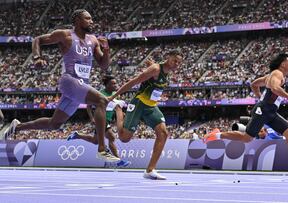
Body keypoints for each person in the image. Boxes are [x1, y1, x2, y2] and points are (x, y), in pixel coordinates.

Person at [3, 9, 119, 162]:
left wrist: (107, 49)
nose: (92, 21)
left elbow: (104, 65)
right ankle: (101, 149)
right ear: (77, 20)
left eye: (92, 18)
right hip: (69, 81)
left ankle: (17, 127)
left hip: (81, 86)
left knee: (54, 124)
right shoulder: (65, 35)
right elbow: (37, 39)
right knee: (102, 101)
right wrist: (37, 57)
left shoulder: (93, 40)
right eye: (88, 18)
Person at [203, 53, 288, 172]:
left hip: (270, 111)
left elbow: (253, 84)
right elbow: (274, 88)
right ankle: (216, 135)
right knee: (247, 138)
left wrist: (260, 98)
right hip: (263, 110)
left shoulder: (270, 76)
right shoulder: (277, 74)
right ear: (283, 64)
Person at [109, 50, 183, 180]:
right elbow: (133, 82)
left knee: (163, 133)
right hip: (139, 103)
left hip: (151, 106)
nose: (176, 64)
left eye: (178, 62)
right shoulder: (155, 69)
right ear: (168, 57)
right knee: (124, 138)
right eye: (174, 60)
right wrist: (114, 96)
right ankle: (118, 108)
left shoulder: (165, 71)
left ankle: (150, 170)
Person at [67, 75, 130, 166]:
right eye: (113, 84)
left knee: (95, 141)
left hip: (108, 119)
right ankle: (118, 161)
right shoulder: (99, 93)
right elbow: (88, 106)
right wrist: (92, 118)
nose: (115, 85)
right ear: (107, 85)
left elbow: (115, 106)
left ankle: (77, 135)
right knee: (111, 137)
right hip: (101, 119)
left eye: (116, 83)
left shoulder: (115, 94)